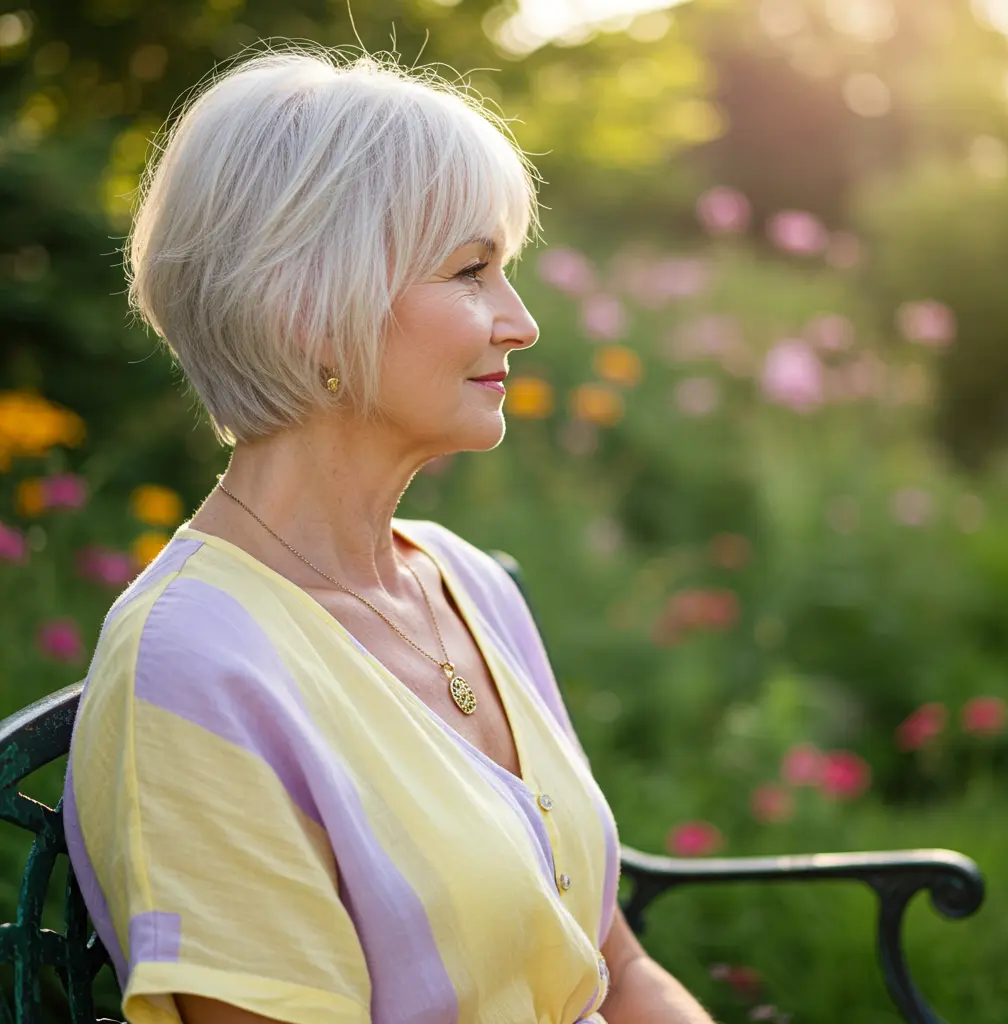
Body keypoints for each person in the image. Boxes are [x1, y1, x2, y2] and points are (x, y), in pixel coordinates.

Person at [63, 44, 716, 1024]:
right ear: (309, 310)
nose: (521, 321)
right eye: (471, 271)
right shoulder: (193, 663)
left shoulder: (461, 580)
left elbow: (614, 970)